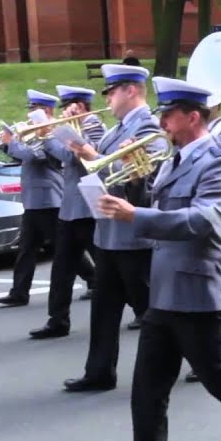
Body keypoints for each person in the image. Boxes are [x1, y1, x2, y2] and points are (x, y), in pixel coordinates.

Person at [94, 77, 221, 441]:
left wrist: (135, 217)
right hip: (164, 288)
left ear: (192, 117)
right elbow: (163, 211)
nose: (161, 121)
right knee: (147, 388)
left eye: (168, 114)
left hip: (195, 291)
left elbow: (202, 221)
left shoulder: (214, 161)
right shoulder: (173, 159)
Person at [62, 65, 158, 393]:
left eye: (112, 91)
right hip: (108, 233)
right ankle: (99, 372)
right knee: (103, 311)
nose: (109, 98)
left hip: (133, 236)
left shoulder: (147, 125)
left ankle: (204, 362)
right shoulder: (117, 129)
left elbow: (145, 175)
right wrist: (80, 136)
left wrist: (92, 154)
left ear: (131, 90)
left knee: (154, 311)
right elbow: (100, 160)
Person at [0, 90, 90, 307]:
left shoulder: (53, 132)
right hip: (34, 199)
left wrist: (12, 143)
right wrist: (10, 144)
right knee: (27, 248)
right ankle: (19, 292)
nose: (29, 115)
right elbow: (22, 154)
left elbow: (35, 156)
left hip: (49, 199)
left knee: (63, 247)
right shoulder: (37, 132)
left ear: (46, 111)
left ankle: (92, 277)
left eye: (33, 110)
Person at [29, 86, 107, 339]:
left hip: (88, 208)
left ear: (80, 106)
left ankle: (143, 309)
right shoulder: (73, 125)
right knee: (61, 267)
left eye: (68, 106)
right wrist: (46, 134)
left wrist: (48, 135)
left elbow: (74, 157)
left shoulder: (94, 124)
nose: (64, 111)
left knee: (113, 266)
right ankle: (57, 320)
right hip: (70, 208)